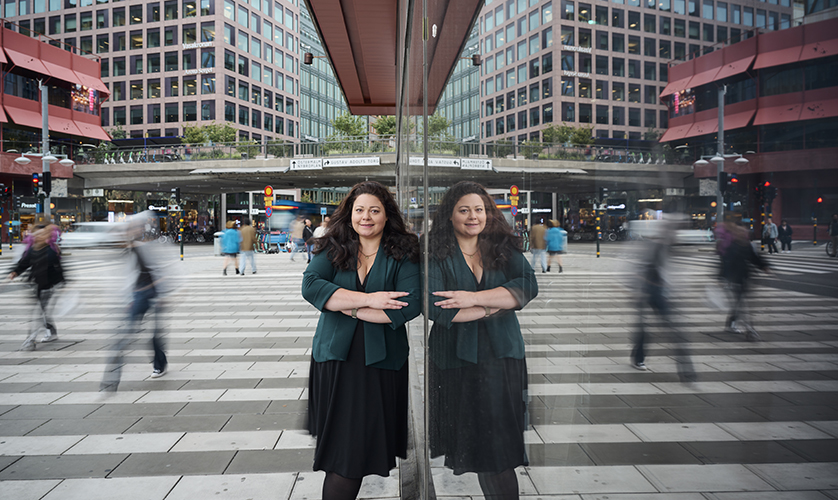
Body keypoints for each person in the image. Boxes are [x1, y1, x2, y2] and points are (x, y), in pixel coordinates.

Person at [301, 181, 420, 500]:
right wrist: (370, 301)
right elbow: (311, 287)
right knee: (345, 456)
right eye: (360, 210)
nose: (366, 217)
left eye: (374, 210)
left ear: (386, 215)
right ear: (350, 214)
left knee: (351, 455)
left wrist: (343, 304)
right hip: (336, 360)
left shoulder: (405, 249)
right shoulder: (334, 245)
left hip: (379, 364)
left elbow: (409, 306)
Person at [425, 181, 538, 500]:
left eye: (479, 209)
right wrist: (499, 302)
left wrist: (474, 300)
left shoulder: (502, 245)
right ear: (450, 215)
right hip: (456, 363)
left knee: (498, 453)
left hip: (502, 359)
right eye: (464, 210)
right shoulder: (435, 249)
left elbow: (528, 286)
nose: (473, 216)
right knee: (481, 452)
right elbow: (438, 308)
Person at [101, 212, 171, 390]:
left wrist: (162, 294)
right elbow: (124, 277)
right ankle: (111, 378)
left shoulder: (148, 246)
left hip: (153, 294)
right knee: (125, 334)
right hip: (138, 296)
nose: (133, 231)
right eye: (130, 228)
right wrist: (127, 298)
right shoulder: (127, 249)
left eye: (135, 227)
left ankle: (160, 364)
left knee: (154, 335)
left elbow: (161, 271)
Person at [630, 220, 695, 381]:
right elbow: (638, 269)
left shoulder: (671, 248)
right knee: (646, 329)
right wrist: (638, 290)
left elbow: (674, 273)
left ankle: (686, 369)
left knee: (674, 330)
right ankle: (638, 357)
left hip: (662, 292)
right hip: (648, 291)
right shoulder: (653, 247)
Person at [8, 224, 64, 351]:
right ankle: (51, 332)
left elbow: (59, 269)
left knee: (38, 314)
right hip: (37, 286)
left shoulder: (51, 251)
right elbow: (24, 263)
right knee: (42, 312)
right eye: (36, 235)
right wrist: (15, 272)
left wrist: (61, 283)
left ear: (47, 237)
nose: (38, 237)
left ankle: (31, 340)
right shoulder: (32, 250)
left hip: (48, 287)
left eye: (42, 234)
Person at [721, 221, 770, 341]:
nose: (743, 233)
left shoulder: (746, 245)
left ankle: (731, 323)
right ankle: (749, 329)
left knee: (739, 303)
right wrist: (722, 277)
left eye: (744, 231)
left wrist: (764, 267)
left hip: (744, 278)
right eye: (740, 231)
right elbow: (724, 263)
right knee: (742, 304)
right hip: (734, 279)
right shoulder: (732, 246)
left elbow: (754, 258)